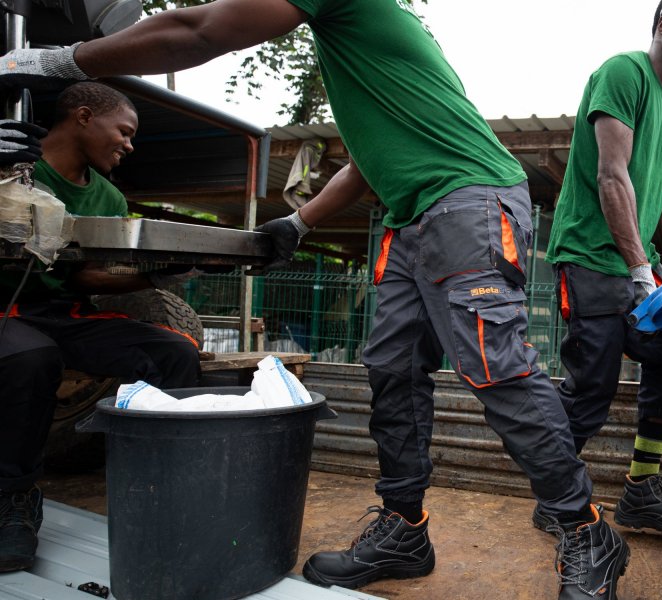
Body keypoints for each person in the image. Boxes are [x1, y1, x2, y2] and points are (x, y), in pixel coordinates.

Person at [0, 2, 629, 597]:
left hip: (467, 199)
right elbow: (366, 161)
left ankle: (585, 529)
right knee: (392, 369)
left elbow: (200, 30)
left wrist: (61, 60)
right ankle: (404, 528)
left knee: (495, 366)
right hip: (410, 214)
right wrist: (299, 224)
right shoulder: (362, 53)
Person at [0, 82, 201, 573]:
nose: (129, 145)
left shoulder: (107, 195)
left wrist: (161, 273)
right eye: (125, 132)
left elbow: (86, 276)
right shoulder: (13, 166)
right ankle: (12, 500)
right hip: (5, 310)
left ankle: (162, 488)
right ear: (85, 116)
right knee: (32, 356)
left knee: (175, 352)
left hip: (60, 311)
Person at [540, 0, 662, 539]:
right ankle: (555, 497)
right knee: (592, 387)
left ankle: (640, 490)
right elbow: (611, 175)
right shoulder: (624, 73)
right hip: (591, 255)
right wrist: (640, 268)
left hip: (638, 264)